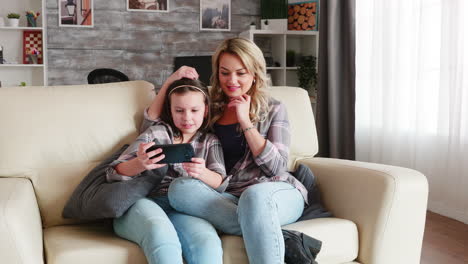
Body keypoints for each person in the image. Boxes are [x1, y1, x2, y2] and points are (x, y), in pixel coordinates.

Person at [147, 38, 312, 264]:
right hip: (227, 195)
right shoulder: (209, 106)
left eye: (240, 73)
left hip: (273, 191)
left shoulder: (274, 108)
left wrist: (245, 121)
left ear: (254, 74)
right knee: (180, 189)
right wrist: (170, 82)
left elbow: (277, 167)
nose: (231, 81)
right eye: (224, 73)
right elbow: (153, 123)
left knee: (254, 197)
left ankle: (259, 226)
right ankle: (267, 232)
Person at [107, 70, 227, 264]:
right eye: (179, 110)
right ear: (170, 111)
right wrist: (139, 163)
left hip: (183, 208)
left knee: (206, 241)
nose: (187, 117)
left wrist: (203, 173)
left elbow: (220, 181)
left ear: (205, 110)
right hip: (142, 202)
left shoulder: (209, 141)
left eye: (194, 110)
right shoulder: (156, 133)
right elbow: (114, 172)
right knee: (160, 233)